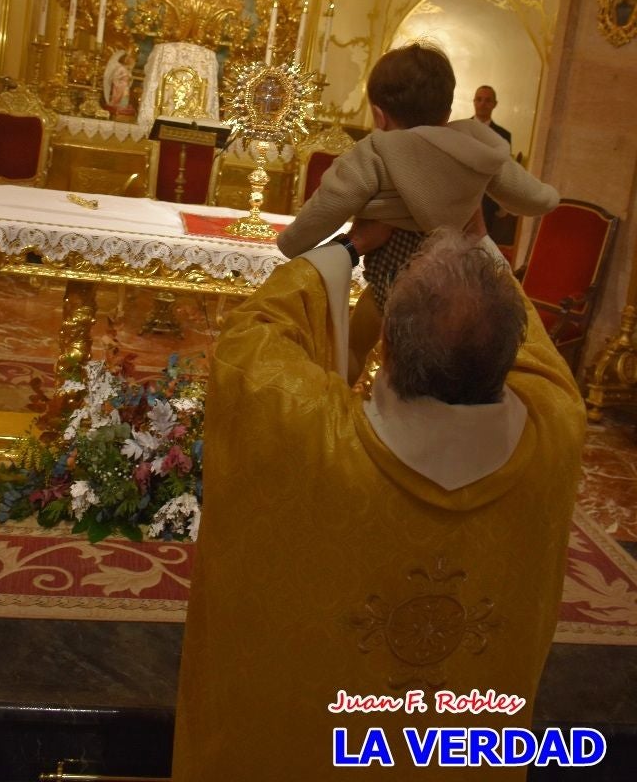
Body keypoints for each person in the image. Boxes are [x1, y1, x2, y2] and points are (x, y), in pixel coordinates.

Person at [172, 228, 587, 781]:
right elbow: (536, 351)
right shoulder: (557, 425)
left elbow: (251, 340)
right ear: (507, 355)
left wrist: (348, 248)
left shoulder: (306, 428)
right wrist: (479, 238)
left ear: (386, 342)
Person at [277, 44, 558, 381]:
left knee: (351, 348)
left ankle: (346, 407)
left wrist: (290, 243)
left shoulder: (377, 151)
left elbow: (327, 208)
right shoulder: (477, 147)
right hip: (453, 284)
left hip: (392, 286)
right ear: (448, 109)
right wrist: (550, 197)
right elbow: (534, 198)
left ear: (380, 116)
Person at [473, 85, 516, 244]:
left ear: (494, 104)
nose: (482, 103)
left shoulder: (504, 136)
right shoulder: (459, 128)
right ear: (474, 101)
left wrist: (502, 202)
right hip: (459, 195)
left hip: (488, 198)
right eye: (479, 99)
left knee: (483, 244)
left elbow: (503, 170)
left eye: (487, 100)